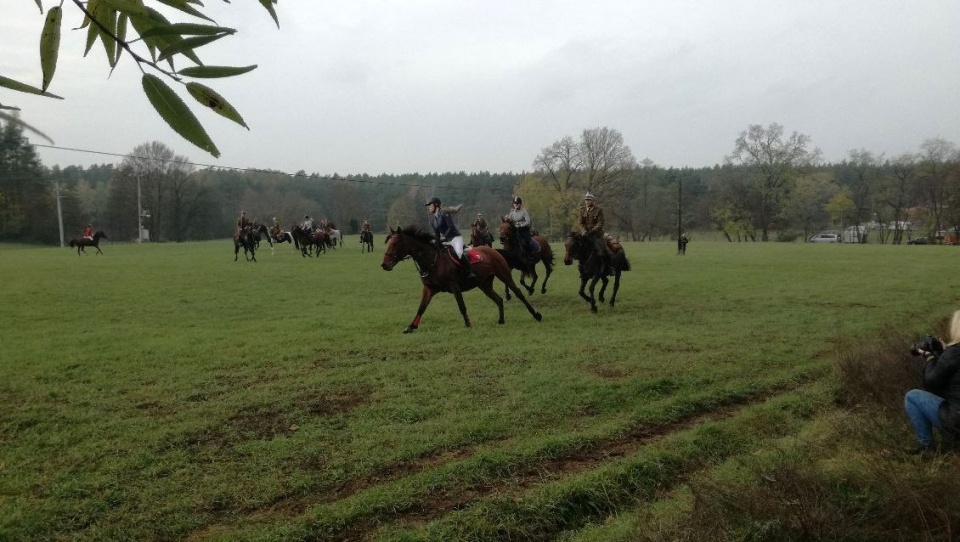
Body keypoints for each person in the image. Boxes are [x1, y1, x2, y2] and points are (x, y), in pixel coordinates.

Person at [904, 310, 960, 456]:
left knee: (912, 397)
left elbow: (931, 382)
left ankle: (927, 447)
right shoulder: (951, 353)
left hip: (957, 421)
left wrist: (929, 357)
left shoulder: (954, 353)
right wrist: (944, 353)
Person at [425, 196, 473, 278]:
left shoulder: (444, 213)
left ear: (436, 204)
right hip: (446, 240)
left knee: (459, 253)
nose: (429, 207)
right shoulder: (433, 220)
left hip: (455, 238)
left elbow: (451, 227)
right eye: (428, 205)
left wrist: (444, 237)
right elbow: (437, 234)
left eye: (430, 205)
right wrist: (435, 241)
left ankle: (469, 272)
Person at [578, 192, 612, 272]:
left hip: (597, 234)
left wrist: (593, 231)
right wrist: (583, 231)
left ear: (593, 201)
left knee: (602, 250)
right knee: (576, 247)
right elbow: (580, 222)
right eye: (586, 200)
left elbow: (601, 222)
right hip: (585, 234)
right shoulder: (582, 210)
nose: (587, 201)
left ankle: (609, 267)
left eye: (589, 200)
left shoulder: (599, 210)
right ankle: (582, 268)